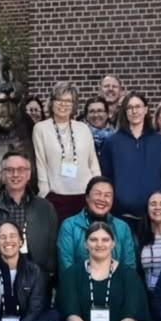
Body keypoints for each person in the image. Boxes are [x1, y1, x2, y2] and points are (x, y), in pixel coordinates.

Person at [50, 223, 155, 321]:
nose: (99, 244)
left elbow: (132, 316)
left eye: (105, 240)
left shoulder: (128, 274)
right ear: (86, 244)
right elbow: (71, 314)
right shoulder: (72, 273)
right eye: (93, 240)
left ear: (113, 244)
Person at [0, 151, 59, 275]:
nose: (15, 174)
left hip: (36, 280)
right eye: (9, 170)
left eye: (21, 169)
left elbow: (51, 250)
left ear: (29, 174)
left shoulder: (45, 208)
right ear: (2, 174)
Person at [100, 93, 161, 221]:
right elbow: (106, 177)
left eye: (138, 106)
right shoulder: (112, 143)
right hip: (121, 215)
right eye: (129, 107)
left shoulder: (159, 141)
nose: (134, 111)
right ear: (125, 111)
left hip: (152, 216)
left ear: (146, 109)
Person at [34, 82, 101, 220]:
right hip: (56, 197)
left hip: (84, 196)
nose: (63, 104)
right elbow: (40, 163)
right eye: (59, 100)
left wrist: (97, 190)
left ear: (74, 105)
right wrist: (45, 194)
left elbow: (93, 163)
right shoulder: (41, 129)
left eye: (68, 101)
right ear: (52, 102)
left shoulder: (83, 128)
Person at [58, 176, 138, 271]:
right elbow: (67, 268)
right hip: (79, 284)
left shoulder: (122, 227)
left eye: (107, 195)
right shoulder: (69, 226)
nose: (102, 199)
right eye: (97, 194)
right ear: (87, 197)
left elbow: (129, 268)